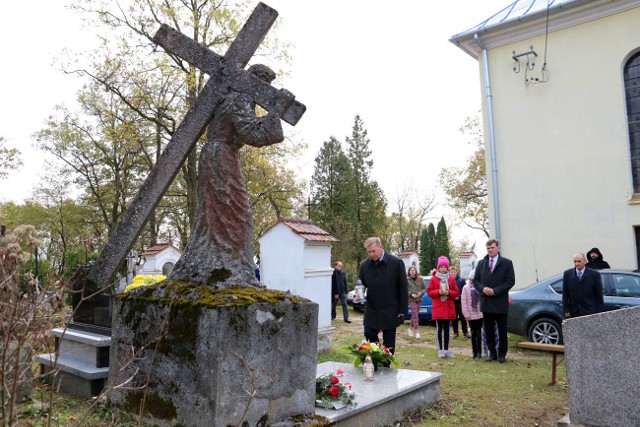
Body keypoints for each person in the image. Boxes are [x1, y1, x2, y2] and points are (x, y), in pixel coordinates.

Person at [170, 64, 294, 286]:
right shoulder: (240, 99)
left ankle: (219, 264)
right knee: (238, 216)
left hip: (220, 155)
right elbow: (253, 134)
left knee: (219, 215)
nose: (266, 90)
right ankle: (228, 267)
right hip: (221, 157)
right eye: (265, 85)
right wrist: (276, 110)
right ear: (255, 82)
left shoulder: (237, 97)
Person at [357, 237, 408, 357]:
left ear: (381, 247)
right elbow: (361, 284)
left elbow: (403, 287)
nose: (371, 254)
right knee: (368, 332)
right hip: (372, 307)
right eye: (369, 252)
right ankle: (376, 356)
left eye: (373, 251)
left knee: (389, 340)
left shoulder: (396, 263)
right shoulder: (364, 265)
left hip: (391, 308)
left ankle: (386, 365)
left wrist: (402, 310)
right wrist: (359, 294)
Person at [473, 239, 515, 363]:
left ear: (498, 248)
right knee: (489, 330)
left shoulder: (506, 263)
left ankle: (502, 354)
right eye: (488, 248)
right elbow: (476, 281)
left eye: (492, 247)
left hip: (500, 302)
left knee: (502, 330)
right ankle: (492, 353)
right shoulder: (481, 263)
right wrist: (483, 289)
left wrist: (495, 291)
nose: (490, 250)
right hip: (486, 302)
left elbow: (510, 281)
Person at [427, 256, 460, 359]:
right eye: (441, 267)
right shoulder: (433, 279)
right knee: (439, 329)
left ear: (447, 268)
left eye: (445, 267)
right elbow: (429, 292)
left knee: (447, 330)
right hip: (439, 308)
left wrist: (448, 292)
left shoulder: (450, 279)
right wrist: (438, 292)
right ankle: (440, 350)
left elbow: (456, 292)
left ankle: (446, 350)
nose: (443, 269)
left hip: (448, 308)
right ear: (438, 268)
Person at [562, 252, 604, 318]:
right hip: (573, 312)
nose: (577, 264)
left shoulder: (594, 275)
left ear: (585, 261)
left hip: (590, 311)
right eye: (575, 261)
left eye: (579, 261)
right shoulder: (568, 274)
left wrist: (599, 312)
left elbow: (599, 295)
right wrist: (566, 309)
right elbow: (565, 294)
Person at [461, 274, 484, 358]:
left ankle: (479, 352)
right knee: (473, 333)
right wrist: (466, 314)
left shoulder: (480, 288)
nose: (472, 281)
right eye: (471, 279)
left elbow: (482, 301)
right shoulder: (465, 288)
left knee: (479, 333)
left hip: (479, 314)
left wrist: (482, 312)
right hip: (470, 315)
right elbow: (464, 302)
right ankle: (474, 351)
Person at [450, 265, 469, 339]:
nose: (453, 273)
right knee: (453, 318)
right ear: (449, 273)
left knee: (462, 317)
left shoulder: (461, 280)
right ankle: (455, 332)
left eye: (454, 272)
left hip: (460, 301)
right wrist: (452, 296)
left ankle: (465, 332)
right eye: (451, 272)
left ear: (456, 272)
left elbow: (465, 291)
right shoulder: (448, 280)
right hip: (452, 301)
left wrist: (459, 296)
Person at [406, 265, 426, 338]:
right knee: (415, 315)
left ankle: (410, 329)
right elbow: (405, 290)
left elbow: (424, 289)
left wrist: (421, 293)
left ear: (416, 271)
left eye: (413, 270)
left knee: (414, 315)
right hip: (411, 299)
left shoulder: (420, 279)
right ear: (409, 272)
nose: (412, 272)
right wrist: (411, 294)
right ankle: (417, 331)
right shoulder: (407, 280)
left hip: (419, 299)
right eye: (411, 270)